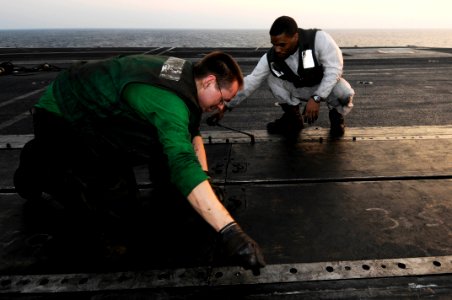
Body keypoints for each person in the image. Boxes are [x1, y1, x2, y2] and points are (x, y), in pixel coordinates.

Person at [13, 51, 265, 272]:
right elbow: (182, 161)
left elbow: (192, 133)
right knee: (109, 207)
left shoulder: (187, 75)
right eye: (222, 99)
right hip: (63, 113)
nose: (221, 108)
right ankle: (35, 163)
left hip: (103, 113)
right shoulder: (170, 103)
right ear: (210, 81)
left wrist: (206, 181)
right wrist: (231, 232)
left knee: (158, 157)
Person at [210, 16, 355, 137]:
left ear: (296, 36)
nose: (277, 49)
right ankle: (293, 118)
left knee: (344, 93)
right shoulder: (271, 57)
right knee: (271, 78)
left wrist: (317, 97)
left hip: (322, 86)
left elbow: (334, 69)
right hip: (297, 89)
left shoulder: (319, 39)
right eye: (274, 44)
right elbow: (251, 81)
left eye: (282, 44)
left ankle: (336, 117)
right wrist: (226, 106)